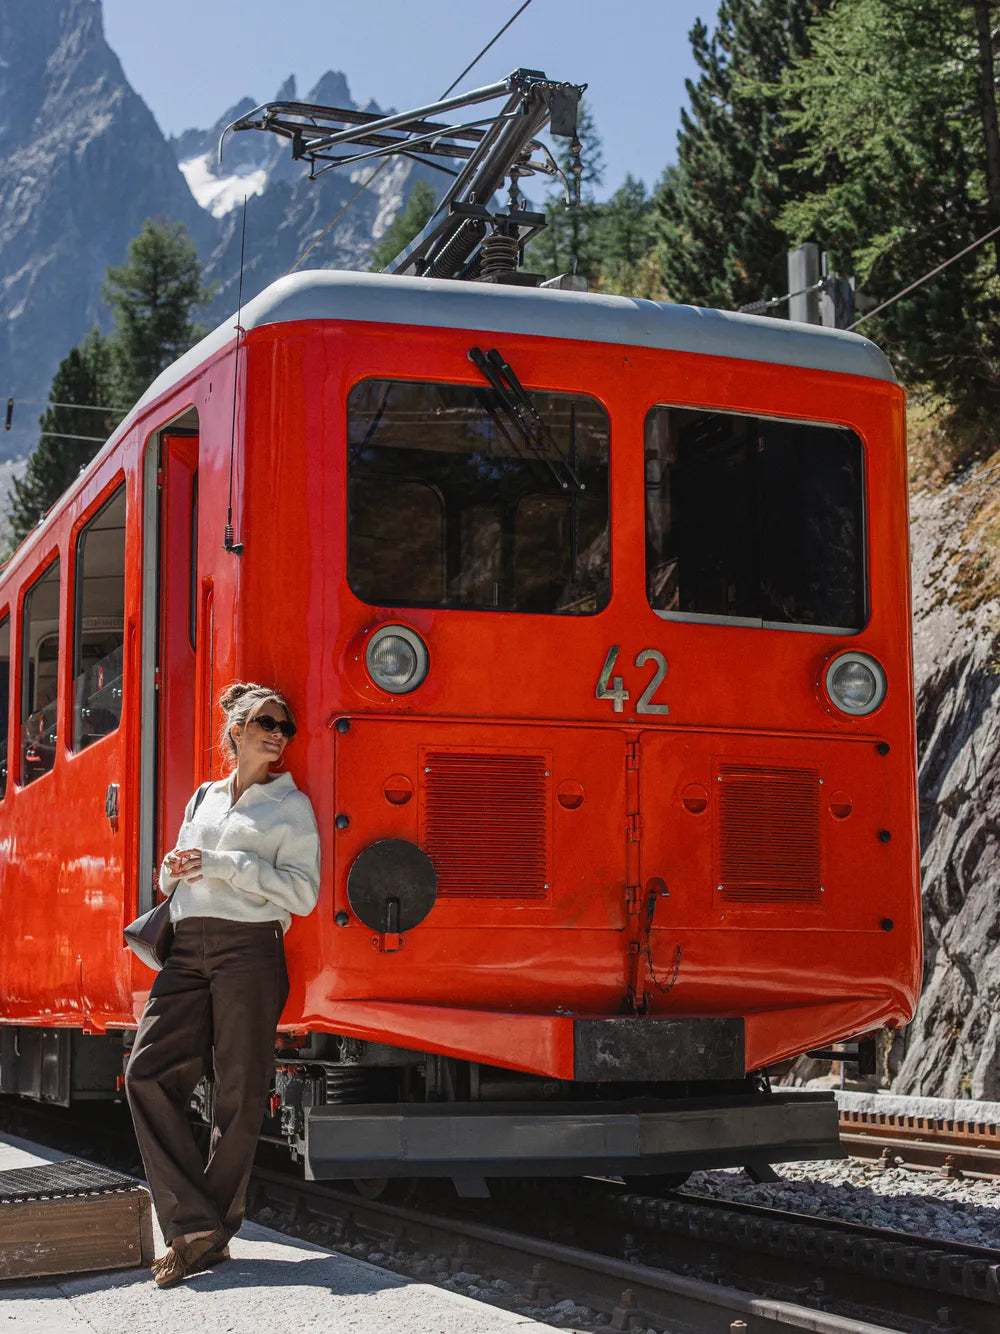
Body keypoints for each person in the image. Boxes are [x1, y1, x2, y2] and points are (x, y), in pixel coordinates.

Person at [125, 681, 320, 1289]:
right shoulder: (204, 797)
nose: (277, 734)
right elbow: (173, 877)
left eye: (285, 727)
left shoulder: (292, 806)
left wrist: (224, 865)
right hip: (186, 947)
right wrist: (171, 869)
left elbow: (303, 894)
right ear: (235, 731)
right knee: (146, 1074)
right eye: (265, 722)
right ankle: (194, 1223)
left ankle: (202, 1235)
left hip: (249, 949)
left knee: (238, 1091)